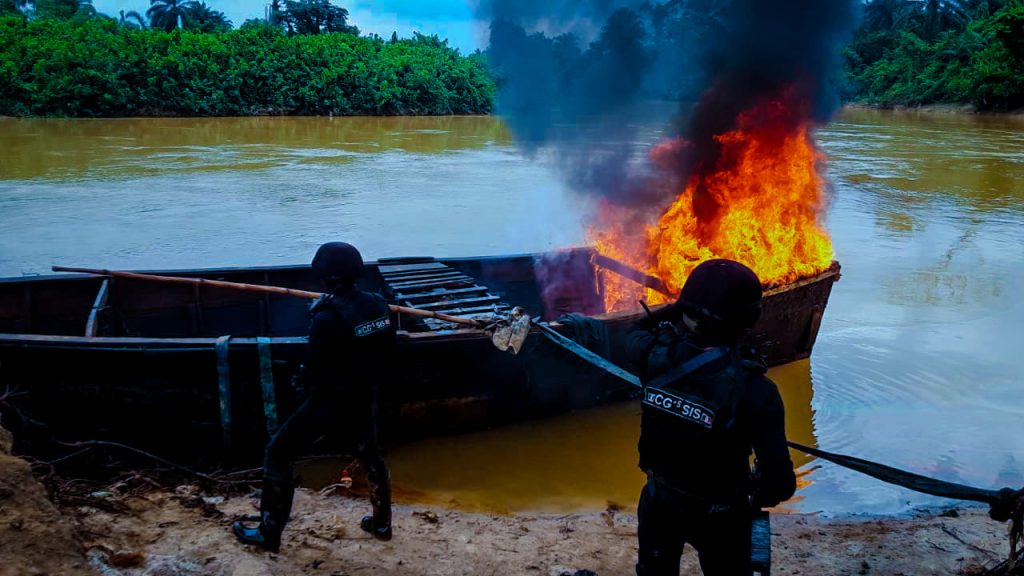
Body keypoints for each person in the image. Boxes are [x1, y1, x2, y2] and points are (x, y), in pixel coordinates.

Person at [625, 259, 797, 576]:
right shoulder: (758, 391)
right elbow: (780, 486)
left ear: (685, 312)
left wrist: (678, 307)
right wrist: (753, 490)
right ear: (748, 322)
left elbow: (634, 331)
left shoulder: (651, 357)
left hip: (659, 501)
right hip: (723, 517)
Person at [233, 242, 396, 552]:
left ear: (327, 278)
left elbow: (314, 371)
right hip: (364, 397)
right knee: (370, 454)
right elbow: (387, 353)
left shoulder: (325, 317)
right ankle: (382, 523)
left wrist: (302, 384)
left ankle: (269, 533)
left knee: (278, 453)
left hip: (330, 401)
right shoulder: (379, 306)